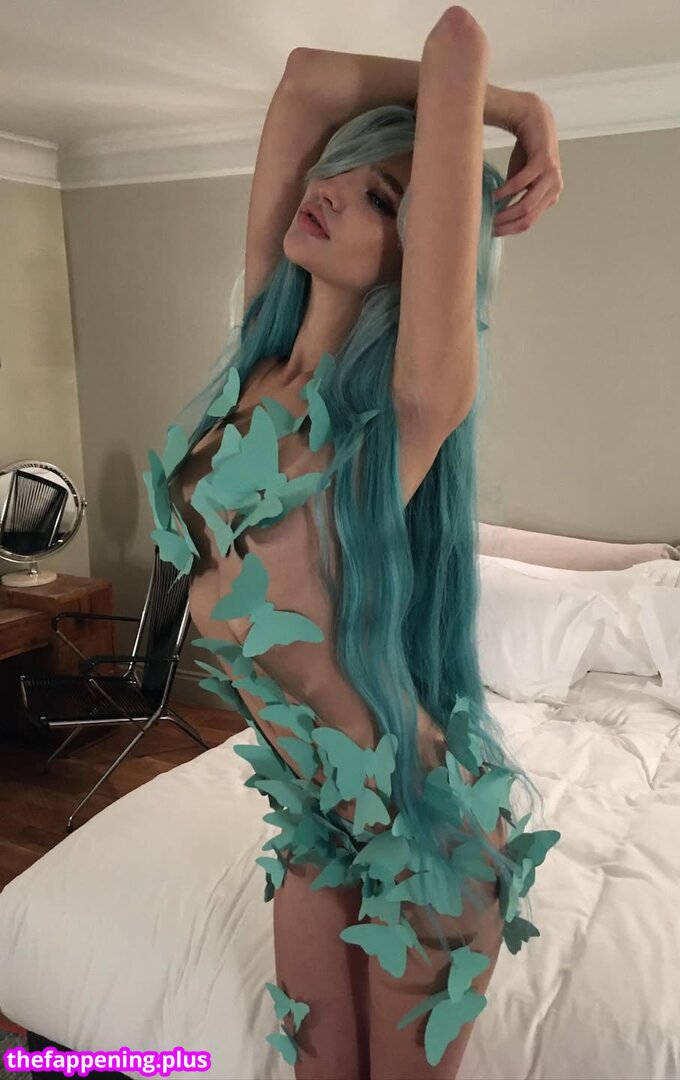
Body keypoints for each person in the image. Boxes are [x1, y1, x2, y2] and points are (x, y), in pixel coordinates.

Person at [143, 7, 563, 1078]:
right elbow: (303, 78)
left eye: (382, 196)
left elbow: (455, 40)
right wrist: (516, 108)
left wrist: (518, 115)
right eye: (340, 168)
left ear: (423, 250)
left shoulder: (407, 408)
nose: (328, 189)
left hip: (429, 838)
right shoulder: (259, 360)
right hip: (317, 822)